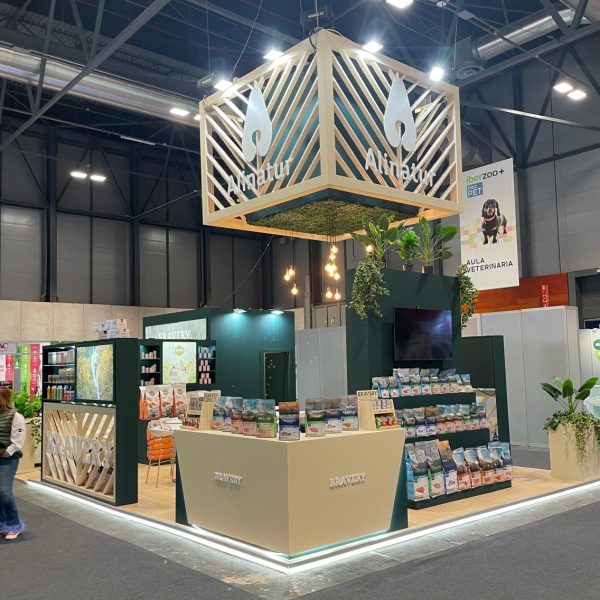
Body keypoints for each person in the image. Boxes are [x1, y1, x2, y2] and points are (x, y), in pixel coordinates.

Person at [0, 387, 26, 540]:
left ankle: (14, 525)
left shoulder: (16, 417)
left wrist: (6, 452)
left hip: (8, 460)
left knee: (5, 492)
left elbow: (18, 442)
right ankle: (3, 523)